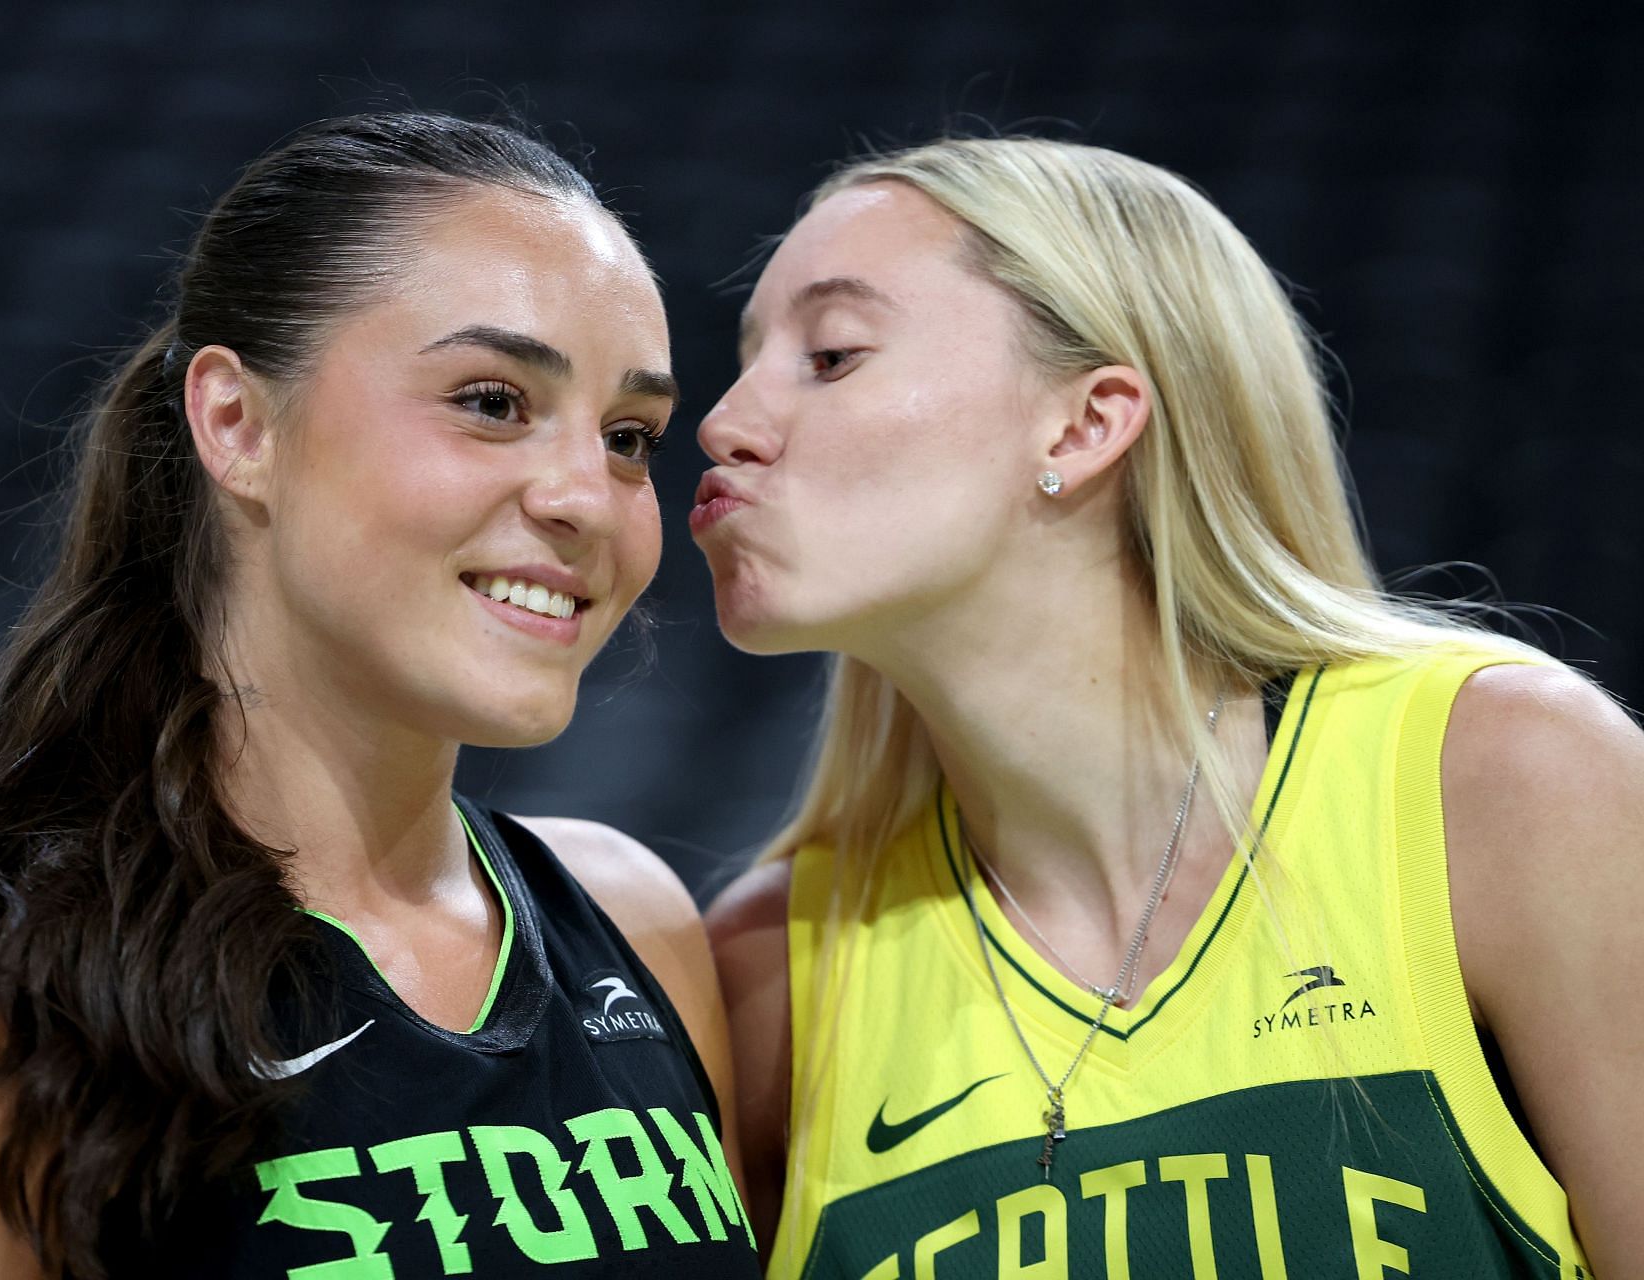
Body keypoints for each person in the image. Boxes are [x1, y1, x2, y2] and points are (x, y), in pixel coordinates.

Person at [0, 113, 758, 1279]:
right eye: (492, 400)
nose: (587, 498)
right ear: (237, 423)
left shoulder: (638, 923)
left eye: (631, 437)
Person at [696, 136, 1639, 1278]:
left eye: (831, 354)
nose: (723, 421)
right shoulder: (772, 969)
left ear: (1087, 424)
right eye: (748, 361)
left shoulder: (1505, 780)